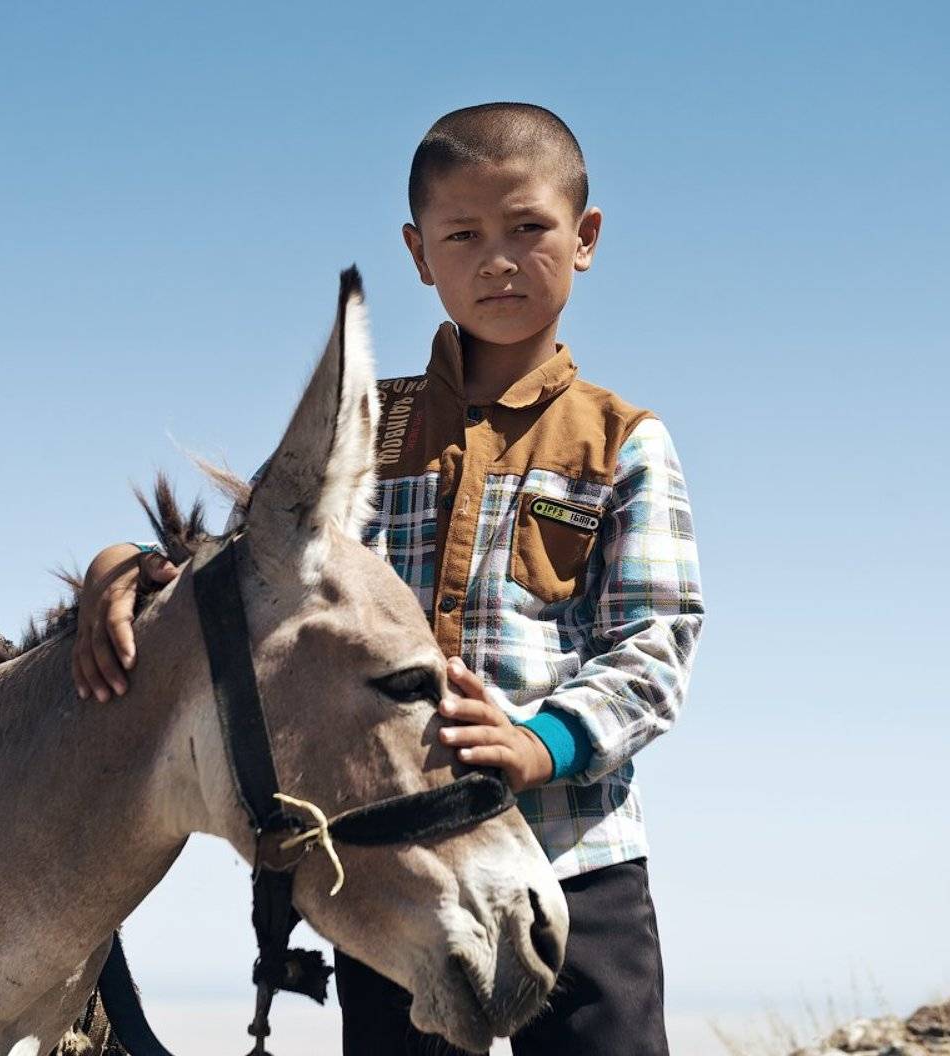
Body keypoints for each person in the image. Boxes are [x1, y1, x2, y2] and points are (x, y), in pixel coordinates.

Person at [70, 102, 705, 1056]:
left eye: (527, 228)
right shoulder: (368, 430)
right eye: (464, 235)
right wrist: (121, 566)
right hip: (394, 863)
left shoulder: (624, 442)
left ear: (585, 238)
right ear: (418, 253)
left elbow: (656, 647)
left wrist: (540, 743)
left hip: (578, 858)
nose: (498, 260)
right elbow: (255, 568)